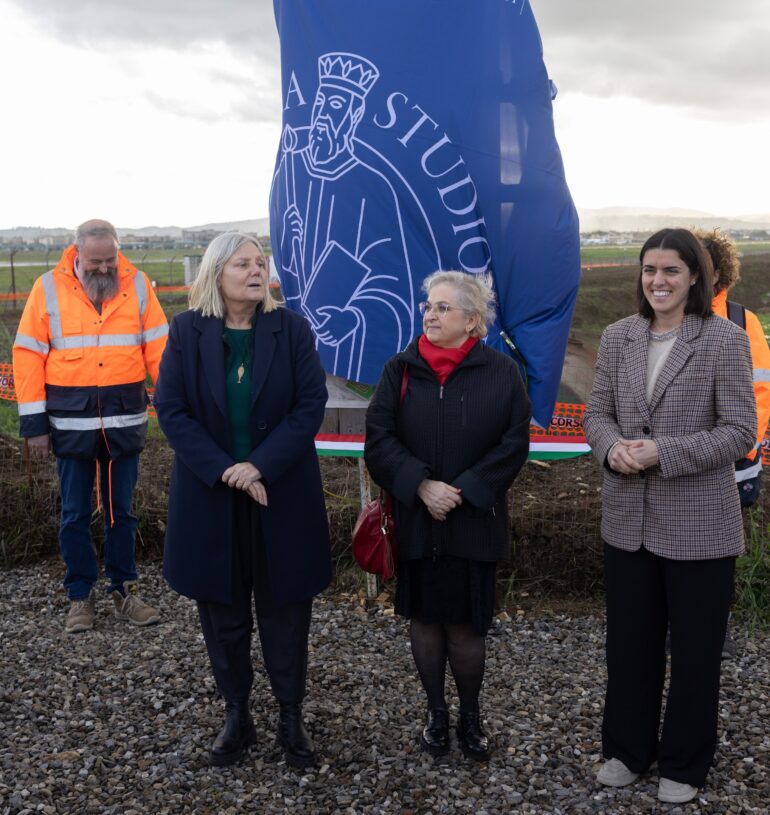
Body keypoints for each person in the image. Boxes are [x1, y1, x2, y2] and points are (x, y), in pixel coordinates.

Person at [584, 228, 756, 804]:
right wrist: (610, 448)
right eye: (649, 269)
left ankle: (684, 762)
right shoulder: (617, 338)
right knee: (630, 645)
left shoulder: (726, 340)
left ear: (695, 279)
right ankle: (627, 750)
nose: (658, 280)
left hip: (700, 522)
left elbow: (740, 431)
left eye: (671, 271)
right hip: (627, 520)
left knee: (696, 651)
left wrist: (664, 452)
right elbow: (597, 414)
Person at [153, 232, 331, 768]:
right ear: (217, 273)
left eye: (261, 262)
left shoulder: (291, 329)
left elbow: (309, 406)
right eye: (244, 263)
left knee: (285, 611)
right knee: (223, 614)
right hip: (212, 497)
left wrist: (260, 464)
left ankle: (291, 716)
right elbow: (171, 408)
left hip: (281, 495)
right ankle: (237, 714)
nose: (257, 271)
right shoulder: (186, 332)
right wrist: (228, 469)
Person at [364, 270, 531, 762]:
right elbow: (379, 438)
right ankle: (436, 713)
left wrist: (465, 491)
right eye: (428, 306)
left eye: (442, 308)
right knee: (426, 620)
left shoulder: (502, 373)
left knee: (465, 627)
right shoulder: (400, 370)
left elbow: (513, 443)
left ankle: (471, 715)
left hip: (473, 521)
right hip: (417, 518)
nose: (429, 315)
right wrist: (419, 484)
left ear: (472, 321)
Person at [12, 219, 167, 634]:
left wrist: (174, 408)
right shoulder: (47, 288)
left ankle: (125, 590)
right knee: (75, 513)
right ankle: (80, 596)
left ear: (119, 253)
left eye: (110, 260)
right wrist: (34, 424)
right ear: (76, 254)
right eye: (95, 262)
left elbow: (159, 349)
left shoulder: (138, 286)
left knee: (123, 513)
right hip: (69, 424)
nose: (104, 269)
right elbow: (27, 354)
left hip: (124, 422)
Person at [271, 52, 415, 382]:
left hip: (351, 356)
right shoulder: (290, 175)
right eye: (320, 103)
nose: (322, 115)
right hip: (299, 357)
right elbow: (286, 275)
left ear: (354, 114)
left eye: (334, 106)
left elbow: (393, 288)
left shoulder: (374, 187)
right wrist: (291, 247)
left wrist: (350, 319)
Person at [697, 228, 770, 659]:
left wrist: (742, 447)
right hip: (677, 463)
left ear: (720, 271)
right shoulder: (662, 317)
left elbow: (761, 391)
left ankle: (713, 628)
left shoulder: (743, 322)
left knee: (720, 547)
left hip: (733, 462)